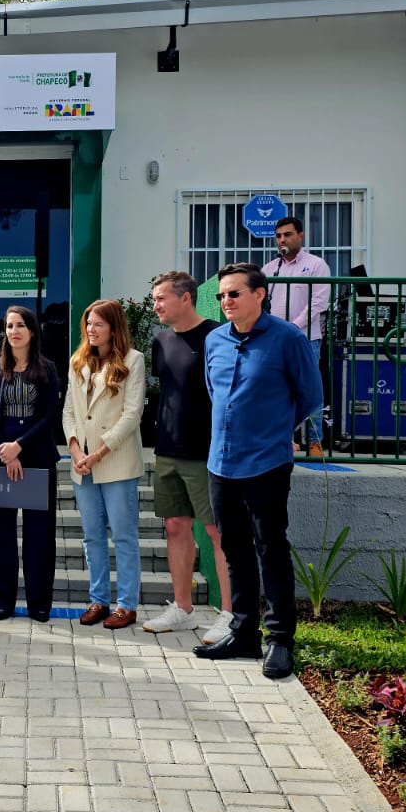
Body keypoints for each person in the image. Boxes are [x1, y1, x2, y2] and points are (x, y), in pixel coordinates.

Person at [194, 263, 324, 680]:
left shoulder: (288, 338)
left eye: (233, 293)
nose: (225, 301)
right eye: (221, 295)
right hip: (221, 462)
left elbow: (310, 396)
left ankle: (280, 639)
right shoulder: (214, 340)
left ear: (259, 294)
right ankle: (244, 632)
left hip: (267, 462)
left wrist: (274, 429)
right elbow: (215, 393)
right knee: (234, 549)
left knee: (271, 548)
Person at [142, 272, 232, 640]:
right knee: (175, 527)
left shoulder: (217, 336)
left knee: (216, 532)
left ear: (186, 298)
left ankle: (231, 615)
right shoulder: (160, 341)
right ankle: (183, 610)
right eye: (154, 299)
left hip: (206, 453)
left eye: (161, 298)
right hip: (168, 450)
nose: (156, 306)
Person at [62, 299, 145, 630]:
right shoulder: (78, 360)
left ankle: (126, 605)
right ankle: (98, 600)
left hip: (116, 463)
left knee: (123, 536)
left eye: (98, 323)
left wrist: (98, 453)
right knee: (92, 536)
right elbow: (69, 410)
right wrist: (74, 450)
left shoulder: (133, 360)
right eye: (88, 323)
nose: (91, 329)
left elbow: (132, 414)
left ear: (113, 327)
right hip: (82, 465)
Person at [0, 306, 62, 622]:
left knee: (39, 536)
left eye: (20, 325)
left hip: (37, 458)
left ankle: (38, 603)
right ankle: (3, 602)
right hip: (0, 459)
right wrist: (6, 450)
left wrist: (19, 447)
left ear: (32, 330)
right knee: (0, 535)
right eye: (9, 326)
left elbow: (49, 416)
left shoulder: (47, 368)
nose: (14, 331)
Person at [262, 216, 330, 456]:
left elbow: (318, 303)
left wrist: (292, 327)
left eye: (288, 234)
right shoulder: (270, 269)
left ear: (301, 235)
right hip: (274, 340)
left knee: (310, 390)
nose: (282, 240)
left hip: (305, 339)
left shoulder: (316, 265)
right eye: (278, 236)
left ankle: (314, 442)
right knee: (277, 390)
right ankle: (283, 440)